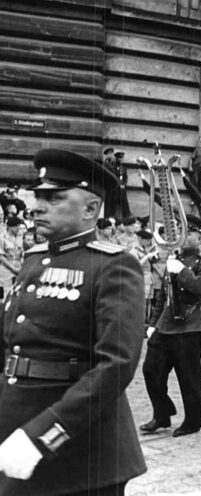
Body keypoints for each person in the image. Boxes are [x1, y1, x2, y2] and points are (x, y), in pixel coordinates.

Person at [0, 149, 146, 494]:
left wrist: (43, 435)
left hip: (80, 447)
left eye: (53, 197)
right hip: (17, 430)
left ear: (91, 209)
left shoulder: (114, 266)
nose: (36, 206)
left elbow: (116, 365)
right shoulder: (34, 259)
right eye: (38, 196)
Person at [141, 216, 201, 437]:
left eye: (188, 233)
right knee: (151, 370)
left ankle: (193, 420)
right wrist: (153, 324)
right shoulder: (174, 260)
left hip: (190, 326)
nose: (181, 238)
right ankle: (162, 413)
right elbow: (162, 298)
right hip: (166, 325)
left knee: (188, 376)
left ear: (199, 238)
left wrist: (182, 272)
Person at [0, 216, 24, 300]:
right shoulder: (2, 238)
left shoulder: (20, 237)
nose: (18, 228)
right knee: (6, 294)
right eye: (16, 226)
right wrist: (12, 268)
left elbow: (22, 253)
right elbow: (1, 256)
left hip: (18, 267)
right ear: (10, 226)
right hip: (6, 269)